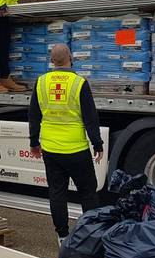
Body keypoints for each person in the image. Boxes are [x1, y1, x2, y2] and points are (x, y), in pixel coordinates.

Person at [28, 44, 104, 246]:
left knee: (57, 192)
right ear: (70, 58)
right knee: (88, 192)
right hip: (76, 149)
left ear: (52, 61)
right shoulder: (79, 83)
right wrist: (97, 144)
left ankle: (62, 235)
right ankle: (92, 234)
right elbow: (90, 118)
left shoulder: (41, 82)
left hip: (51, 149)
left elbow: (34, 115)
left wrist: (34, 142)